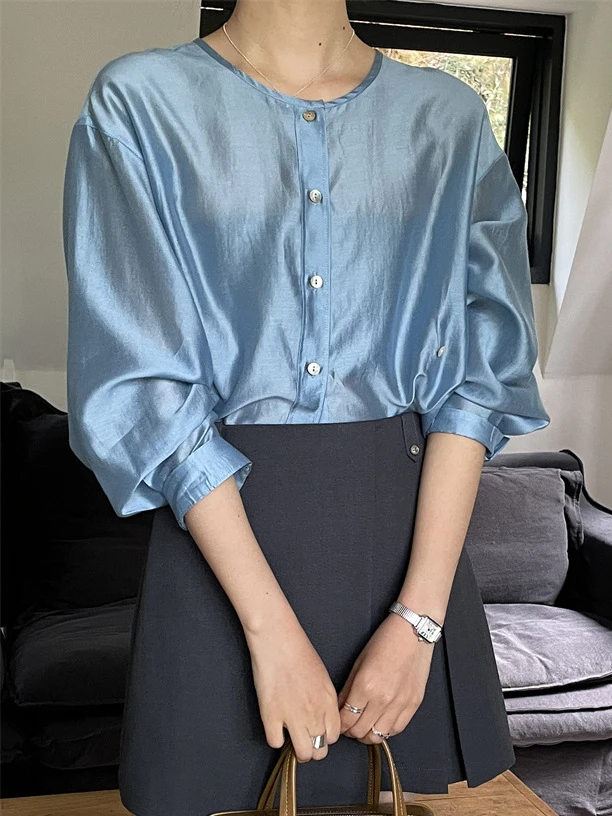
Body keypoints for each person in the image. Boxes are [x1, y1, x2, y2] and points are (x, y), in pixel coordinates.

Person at [62, 1, 551, 814]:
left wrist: (419, 621)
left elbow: (477, 380)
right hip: (220, 546)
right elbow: (140, 381)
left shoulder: (447, 117)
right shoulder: (140, 102)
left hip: (402, 546)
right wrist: (270, 633)